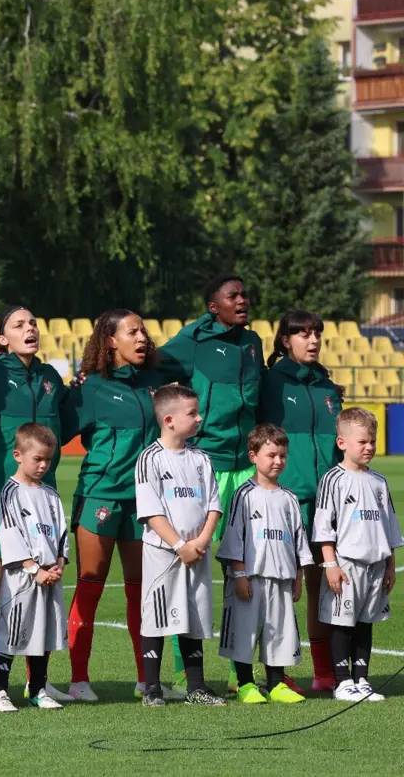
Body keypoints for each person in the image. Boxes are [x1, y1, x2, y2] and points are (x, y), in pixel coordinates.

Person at [159, 274, 262, 694]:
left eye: (244, 294)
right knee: (192, 566)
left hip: (246, 465)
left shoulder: (253, 342)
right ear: (213, 305)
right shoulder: (193, 339)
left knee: (250, 567)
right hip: (206, 464)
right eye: (232, 296)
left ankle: (249, 672)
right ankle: (186, 669)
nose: (242, 300)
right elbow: (155, 369)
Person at [0, 305, 68, 704]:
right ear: (2, 337)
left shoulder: (49, 377)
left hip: (43, 499)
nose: (31, 329)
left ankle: (36, 683)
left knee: (39, 588)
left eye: (35, 324)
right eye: (20, 325)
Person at [61, 309, 163, 702]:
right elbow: (56, 428)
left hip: (145, 504)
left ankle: (145, 679)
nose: (142, 338)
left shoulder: (155, 381)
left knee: (142, 591)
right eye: (131, 332)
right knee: (91, 585)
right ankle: (78, 680)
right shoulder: (91, 387)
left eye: (143, 331)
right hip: (100, 495)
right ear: (110, 341)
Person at [259, 310, 342, 692]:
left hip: (327, 503)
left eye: (317, 334)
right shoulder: (269, 383)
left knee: (323, 587)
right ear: (284, 341)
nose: (313, 341)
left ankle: (325, 672)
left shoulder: (327, 387)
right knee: (282, 590)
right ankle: (279, 673)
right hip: (286, 502)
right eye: (303, 334)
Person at [135, 385, 227, 707]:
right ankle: (151, 688)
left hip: (197, 551)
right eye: (193, 413)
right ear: (170, 420)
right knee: (157, 616)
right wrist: (179, 545)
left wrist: (200, 542)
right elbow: (151, 512)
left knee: (194, 617)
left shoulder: (201, 459)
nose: (200, 417)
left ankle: (196, 688)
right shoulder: (150, 459)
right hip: (164, 553)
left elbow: (214, 505)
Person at [216, 424, 311, 705]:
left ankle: (276, 683)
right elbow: (234, 535)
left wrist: (298, 575)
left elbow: (297, 540)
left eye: (282, 455)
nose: (278, 461)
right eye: (271, 455)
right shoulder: (243, 495)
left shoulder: (289, 498)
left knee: (279, 632)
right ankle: (245, 684)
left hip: (281, 577)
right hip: (251, 578)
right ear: (254, 456)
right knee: (245, 631)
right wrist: (240, 573)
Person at [314, 408, 402, 702]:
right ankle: (342, 682)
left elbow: (389, 526)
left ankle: (361, 679)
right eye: (363, 441)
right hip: (346, 565)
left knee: (365, 622)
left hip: (376, 565)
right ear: (342, 443)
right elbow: (324, 527)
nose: (369, 447)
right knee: (342, 622)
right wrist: (330, 564)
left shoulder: (379, 482)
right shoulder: (333, 480)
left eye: (373, 442)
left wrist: (391, 565)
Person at [0, 423, 69, 713]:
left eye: (48, 459)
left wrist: (58, 565)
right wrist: (35, 570)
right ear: (18, 455)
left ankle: (38, 689)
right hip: (22, 577)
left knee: (43, 633)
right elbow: (10, 535)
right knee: (13, 631)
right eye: (38, 459)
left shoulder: (51, 495)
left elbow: (61, 535)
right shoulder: (10, 493)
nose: (43, 465)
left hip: (49, 577)